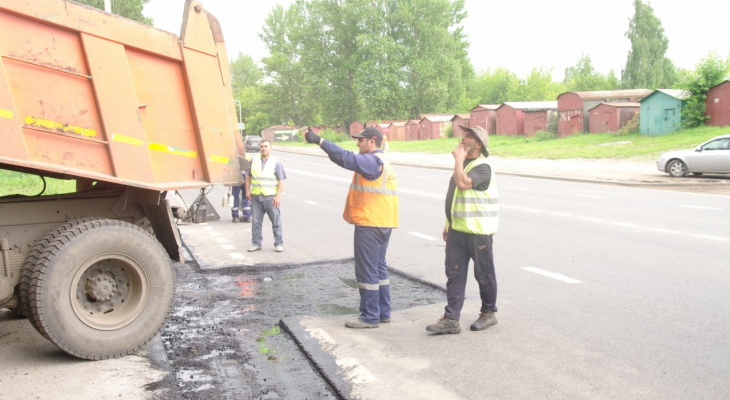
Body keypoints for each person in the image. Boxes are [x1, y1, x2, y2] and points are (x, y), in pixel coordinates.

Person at [304, 126, 398, 329]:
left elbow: (346, 158)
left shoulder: (372, 161)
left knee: (367, 272)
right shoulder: (383, 161)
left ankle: (369, 317)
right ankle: (383, 313)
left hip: (370, 223)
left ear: (372, 141)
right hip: (383, 222)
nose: (357, 143)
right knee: (379, 268)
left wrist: (320, 141)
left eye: (361, 140)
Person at [426, 125, 499, 335]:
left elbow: (462, 185)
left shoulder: (483, 166)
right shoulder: (464, 164)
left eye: (468, 136)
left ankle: (489, 313)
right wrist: (448, 224)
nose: (462, 139)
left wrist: (457, 159)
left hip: (478, 232)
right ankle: (451, 320)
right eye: (464, 134)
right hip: (458, 231)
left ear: (479, 144)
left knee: (484, 274)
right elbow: (456, 199)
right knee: (454, 274)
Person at [245, 140, 286, 252]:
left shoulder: (276, 162)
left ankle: (278, 243)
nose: (263, 148)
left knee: (276, 222)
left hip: (270, 198)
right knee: (256, 222)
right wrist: (247, 191)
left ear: (270, 148)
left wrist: (278, 196)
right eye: (261, 146)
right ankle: (256, 243)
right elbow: (248, 176)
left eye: (266, 146)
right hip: (256, 197)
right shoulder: (254, 160)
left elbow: (281, 181)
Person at [230, 152, 252, 223]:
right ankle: (247, 216)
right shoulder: (248, 156)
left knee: (235, 197)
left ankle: (235, 216)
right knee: (246, 197)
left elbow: (230, 166)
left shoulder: (234, 156)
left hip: (237, 177)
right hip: (246, 177)